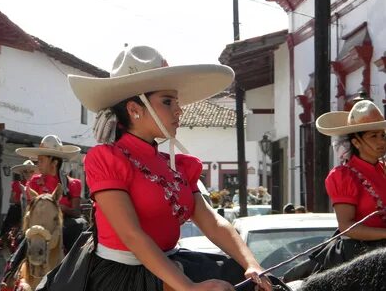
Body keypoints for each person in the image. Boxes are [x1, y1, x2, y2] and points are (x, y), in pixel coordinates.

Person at [68, 45, 272, 291]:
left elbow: (212, 222)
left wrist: (251, 264)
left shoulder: (179, 165)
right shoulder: (106, 159)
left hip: (171, 264)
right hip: (124, 277)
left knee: (249, 282)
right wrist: (188, 287)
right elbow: (132, 235)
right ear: (134, 109)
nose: (179, 109)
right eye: (168, 101)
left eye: (176, 101)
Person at [284, 100, 386, 282]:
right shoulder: (344, 175)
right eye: (373, 136)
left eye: (383, 135)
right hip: (358, 254)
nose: (381, 141)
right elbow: (347, 226)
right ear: (356, 141)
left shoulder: (384, 170)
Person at [16, 135, 88, 252]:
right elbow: (30, 209)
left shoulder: (72, 184)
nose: (38, 164)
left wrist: (62, 208)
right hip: (39, 225)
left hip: (65, 226)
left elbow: (76, 212)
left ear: (54, 163)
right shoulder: (34, 182)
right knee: (23, 239)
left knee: (80, 225)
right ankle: (12, 266)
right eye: (38, 161)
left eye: (41, 160)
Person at [0, 160, 38, 251]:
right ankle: (2, 237)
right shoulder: (17, 184)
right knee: (13, 210)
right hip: (20, 207)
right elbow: (12, 199)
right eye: (25, 171)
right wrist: (23, 199)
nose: (28, 174)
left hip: (35, 207)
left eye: (31, 171)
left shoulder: (37, 183)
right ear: (22, 173)